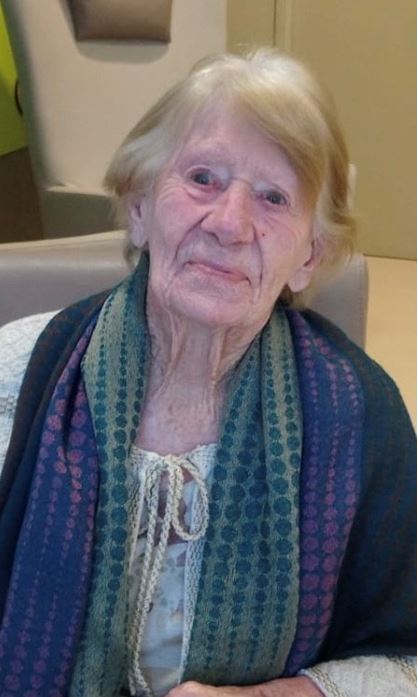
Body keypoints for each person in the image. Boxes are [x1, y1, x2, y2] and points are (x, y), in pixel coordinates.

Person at [0, 50, 415, 697]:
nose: (229, 224)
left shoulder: (361, 418)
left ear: (310, 255)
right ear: (140, 207)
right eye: (202, 178)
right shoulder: (19, 373)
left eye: (274, 197)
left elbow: (406, 658)